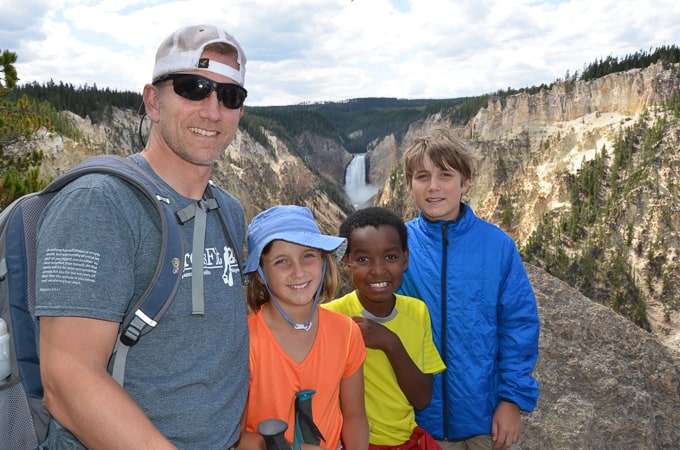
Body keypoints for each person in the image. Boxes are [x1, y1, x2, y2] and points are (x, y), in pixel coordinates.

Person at [35, 24, 250, 449]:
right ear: (153, 101)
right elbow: (68, 378)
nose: (213, 111)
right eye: (194, 87)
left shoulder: (229, 211)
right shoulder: (98, 204)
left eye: (229, 96)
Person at [396, 126, 539, 450]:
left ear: (466, 182)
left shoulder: (497, 246)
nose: (433, 187)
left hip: (485, 421)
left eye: (445, 175)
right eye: (422, 176)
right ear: (409, 184)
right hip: (417, 424)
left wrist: (511, 400)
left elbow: (518, 326)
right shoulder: (397, 245)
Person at [239, 205, 369, 450]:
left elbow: (354, 416)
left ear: (322, 260)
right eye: (281, 261)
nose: (298, 272)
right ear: (260, 273)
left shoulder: (347, 333)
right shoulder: (245, 341)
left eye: (308, 255)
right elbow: (235, 436)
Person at [323, 206, 446, 449]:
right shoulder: (331, 318)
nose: (378, 270)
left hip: (406, 439)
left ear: (405, 259)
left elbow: (421, 399)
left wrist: (390, 343)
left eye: (390, 257)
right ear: (346, 263)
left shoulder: (417, 311)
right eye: (363, 259)